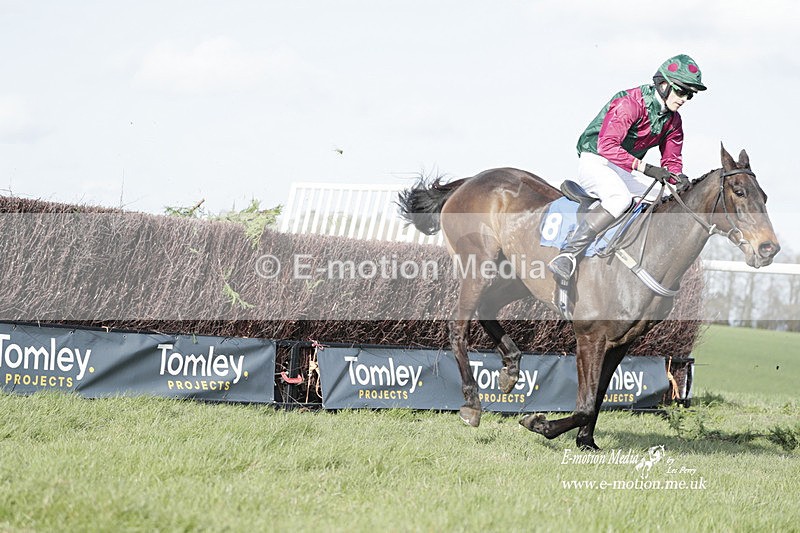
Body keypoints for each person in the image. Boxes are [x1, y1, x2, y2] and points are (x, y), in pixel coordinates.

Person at [549, 53, 707, 284]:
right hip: (596, 160)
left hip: (624, 169)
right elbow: (606, 146)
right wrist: (645, 167)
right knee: (619, 199)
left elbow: (671, 160)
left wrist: (678, 179)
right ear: (663, 85)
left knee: (668, 198)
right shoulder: (630, 103)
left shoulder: (674, 121)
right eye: (681, 91)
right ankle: (568, 254)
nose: (685, 99)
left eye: (690, 95)